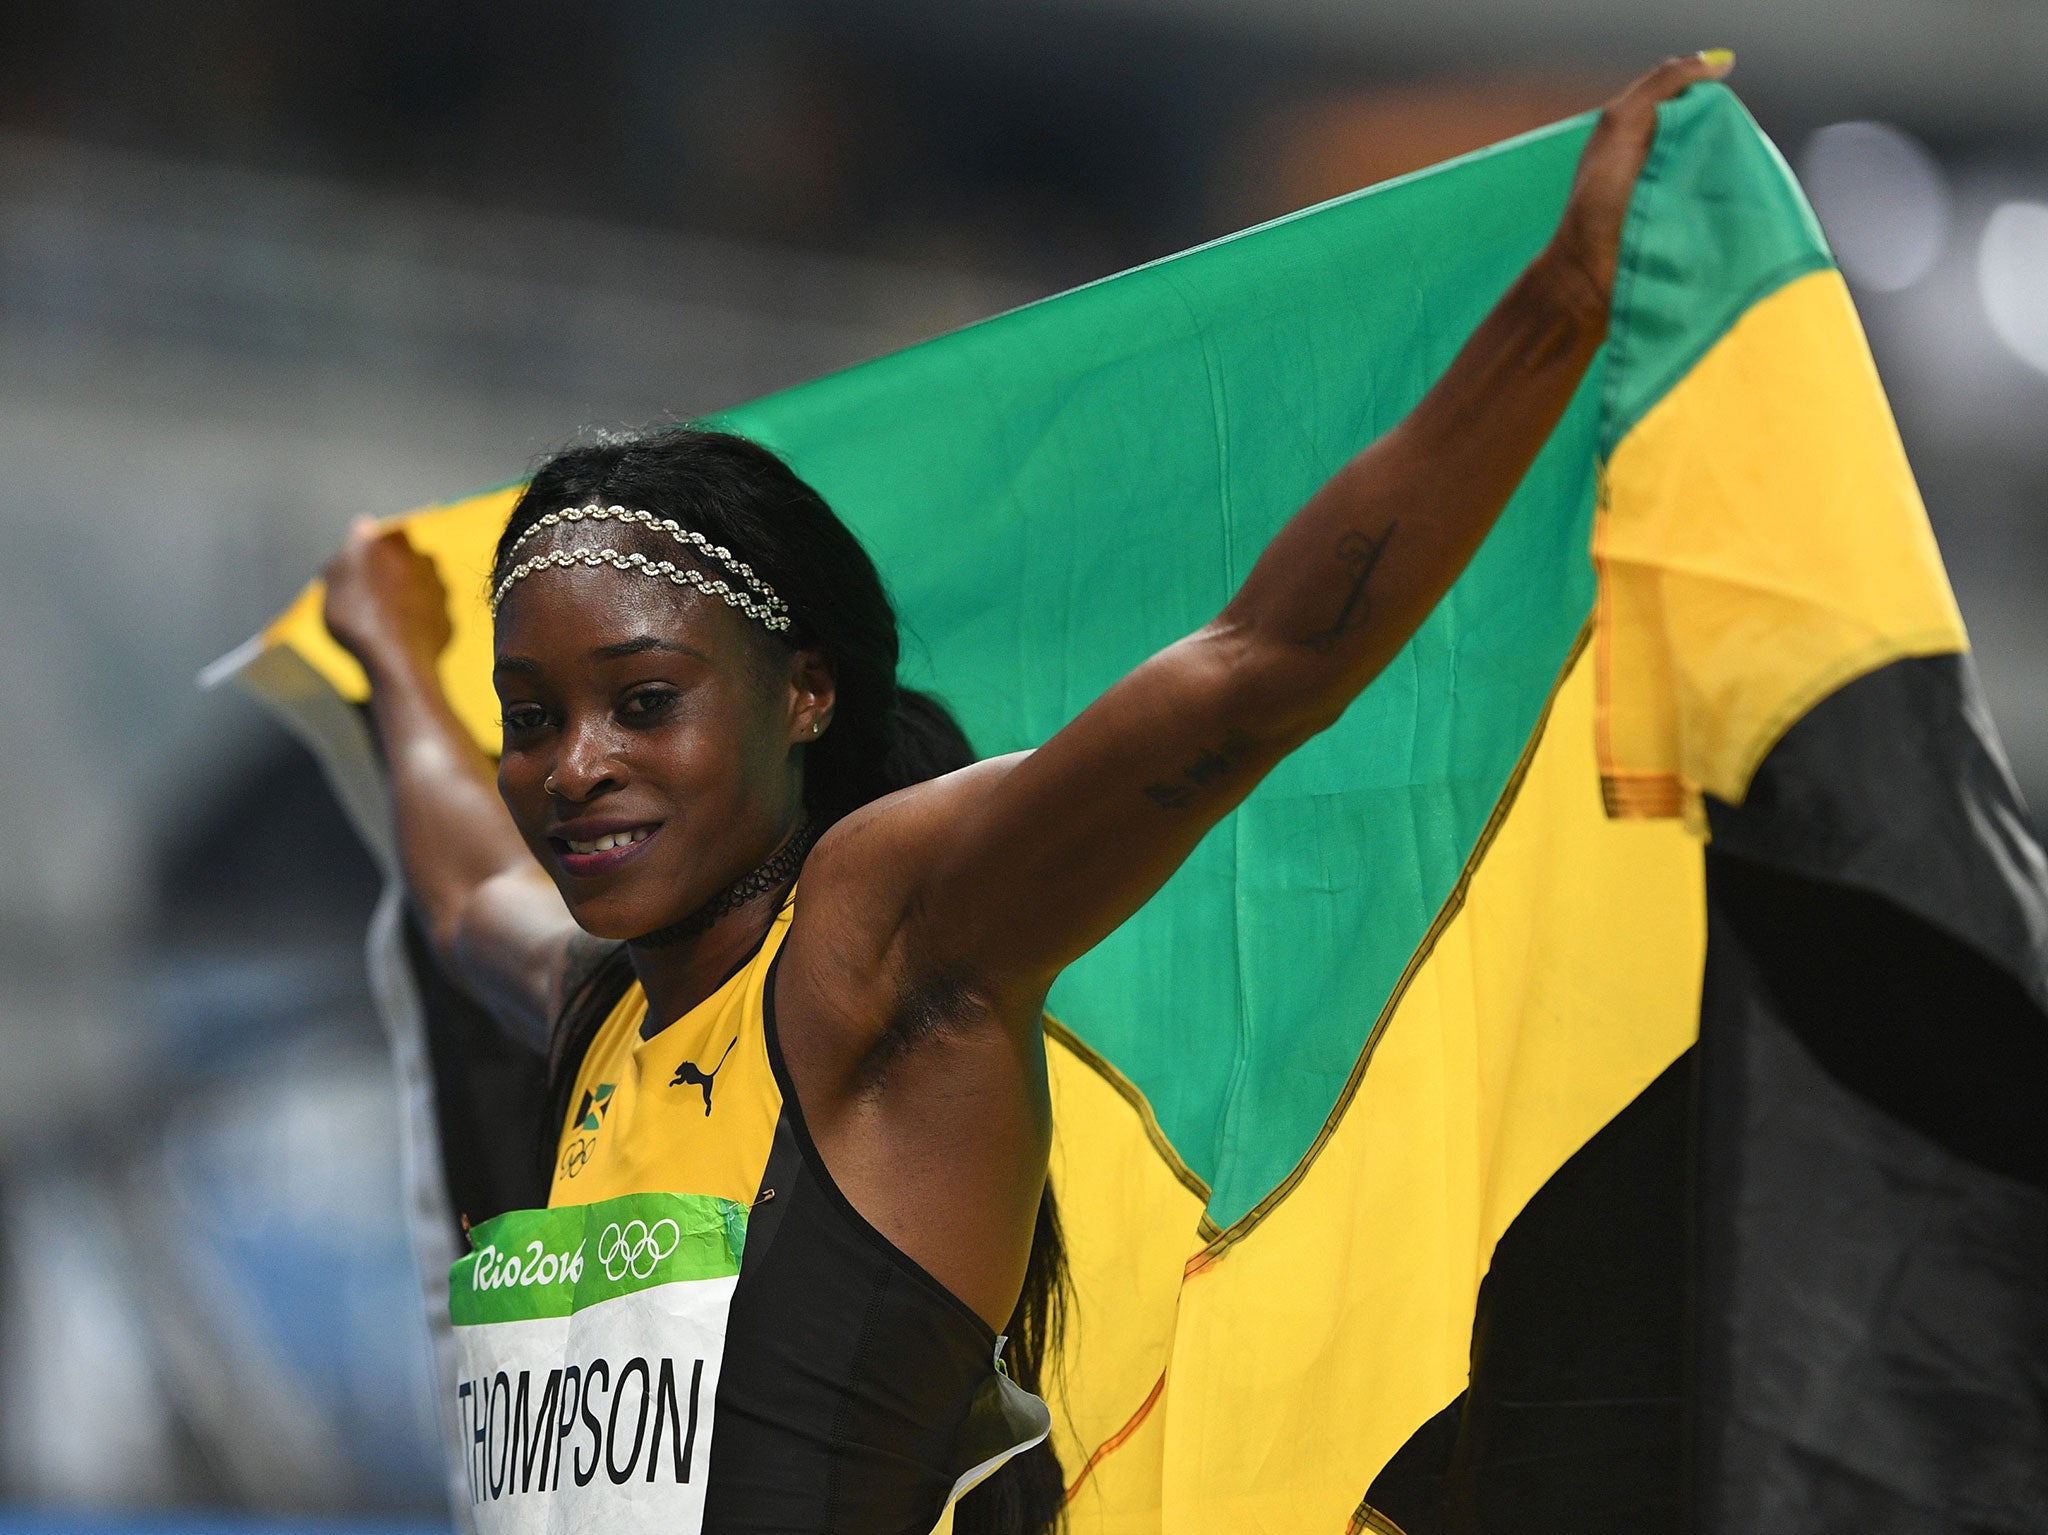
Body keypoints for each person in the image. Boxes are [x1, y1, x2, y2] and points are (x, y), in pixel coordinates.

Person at [321, 51, 1732, 1535]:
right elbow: (460, 877)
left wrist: (1558, 309)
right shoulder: (596, 1005)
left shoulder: (874, 947)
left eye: (644, 702)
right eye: (533, 719)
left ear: (803, 694)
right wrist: (387, 657)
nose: (575, 765)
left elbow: (1255, 668)